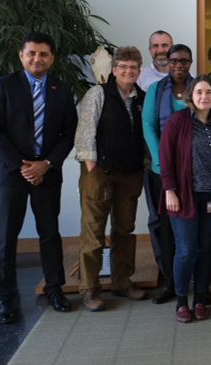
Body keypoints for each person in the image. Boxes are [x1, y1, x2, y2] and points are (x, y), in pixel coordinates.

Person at [0, 32, 78, 323]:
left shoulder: (62, 90)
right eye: (31, 53)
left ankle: (55, 290)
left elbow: (68, 134)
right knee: (5, 238)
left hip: (47, 173)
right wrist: (23, 165)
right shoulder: (4, 86)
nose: (37, 58)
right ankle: (6, 298)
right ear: (21, 55)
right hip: (11, 174)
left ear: (51, 58)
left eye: (43, 54)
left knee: (49, 234)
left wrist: (46, 164)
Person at [75, 46, 148, 312]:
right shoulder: (98, 93)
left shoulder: (143, 97)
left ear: (139, 71)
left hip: (130, 174)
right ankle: (90, 288)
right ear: (114, 69)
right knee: (94, 232)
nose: (129, 71)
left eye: (134, 68)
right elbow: (85, 131)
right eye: (124, 67)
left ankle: (122, 281)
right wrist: (92, 168)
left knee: (124, 231)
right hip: (99, 173)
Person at [159, 75, 211, 323]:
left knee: (205, 249)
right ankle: (182, 300)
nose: (204, 96)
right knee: (186, 251)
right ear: (191, 96)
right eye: (199, 92)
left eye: (209, 92)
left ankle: (200, 297)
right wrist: (170, 190)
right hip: (183, 196)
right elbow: (165, 157)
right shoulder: (178, 121)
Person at [142, 44, 194, 305]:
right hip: (161, 171)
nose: (178, 65)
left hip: (193, 171)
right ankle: (170, 282)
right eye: (174, 60)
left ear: (191, 62)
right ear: (167, 61)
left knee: (188, 226)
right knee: (164, 226)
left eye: (184, 60)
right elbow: (149, 128)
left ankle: (190, 277)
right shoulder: (156, 90)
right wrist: (163, 167)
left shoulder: (200, 89)